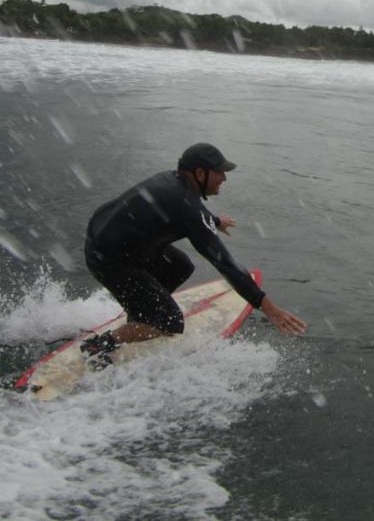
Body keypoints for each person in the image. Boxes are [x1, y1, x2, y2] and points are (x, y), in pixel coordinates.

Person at [80, 142, 306, 363]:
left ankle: (142, 312)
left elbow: (192, 211)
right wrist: (268, 307)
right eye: (220, 173)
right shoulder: (185, 204)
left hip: (110, 242)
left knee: (180, 266)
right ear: (200, 173)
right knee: (171, 324)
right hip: (110, 258)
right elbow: (224, 262)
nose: (224, 179)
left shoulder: (174, 183)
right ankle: (101, 345)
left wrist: (215, 221)